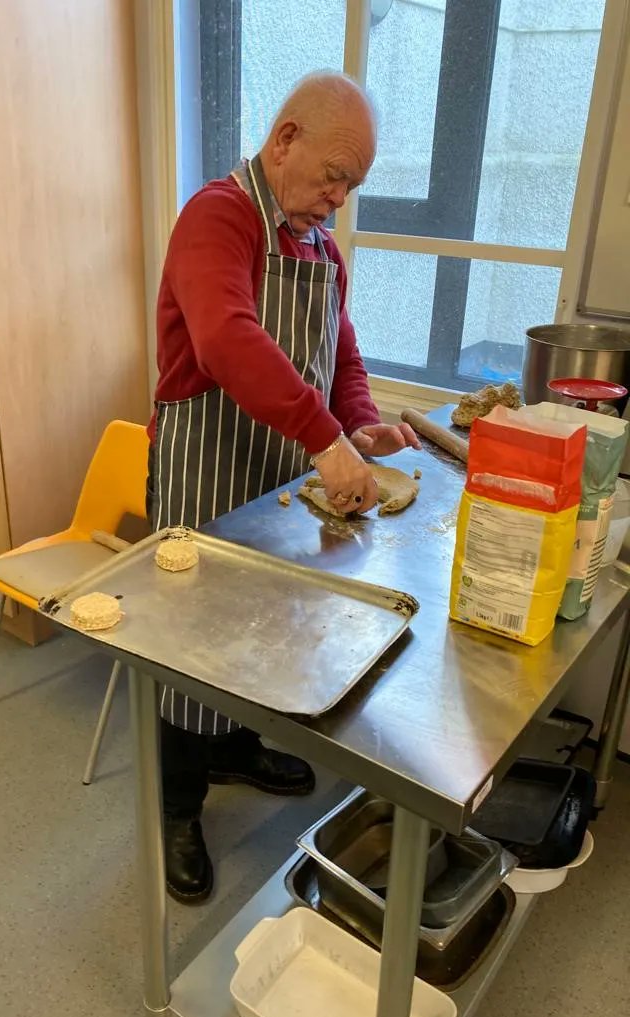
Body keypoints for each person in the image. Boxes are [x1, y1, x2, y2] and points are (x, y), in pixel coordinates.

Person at [146, 72, 419, 903]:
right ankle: (178, 808)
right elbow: (227, 341)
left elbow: (340, 354)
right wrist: (324, 440)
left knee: (262, 629)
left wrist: (361, 424)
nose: (337, 200)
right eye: (334, 175)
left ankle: (232, 747)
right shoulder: (217, 218)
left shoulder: (319, 249)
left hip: (270, 478)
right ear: (284, 139)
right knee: (192, 648)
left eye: (354, 186)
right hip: (206, 470)